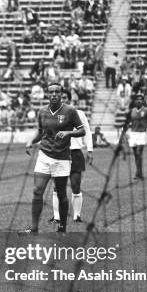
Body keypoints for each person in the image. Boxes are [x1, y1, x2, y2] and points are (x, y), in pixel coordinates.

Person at [24, 83, 85, 233]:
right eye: (51, 92)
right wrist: (31, 141)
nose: (54, 94)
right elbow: (40, 132)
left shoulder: (70, 111)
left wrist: (68, 133)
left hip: (62, 158)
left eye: (57, 91)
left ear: (61, 93)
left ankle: (62, 227)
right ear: (47, 94)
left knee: (62, 193)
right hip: (44, 155)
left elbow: (82, 130)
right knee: (38, 191)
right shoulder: (42, 112)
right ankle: (34, 228)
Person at [50, 91, 93, 224]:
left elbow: (87, 132)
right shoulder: (53, 115)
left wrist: (90, 150)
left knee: (75, 185)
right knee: (57, 187)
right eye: (60, 98)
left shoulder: (79, 114)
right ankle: (57, 216)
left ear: (70, 99)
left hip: (75, 153)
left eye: (65, 98)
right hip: (59, 153)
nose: (62, 100)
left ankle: (77, 216)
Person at [122, 94, 147, 180]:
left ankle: (140, 173)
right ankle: (138, 173)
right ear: (135, 101)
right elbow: (126, 124)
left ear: (143, 101)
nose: (139, 101)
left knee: (138, 153)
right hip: (133, 134)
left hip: (142, 134)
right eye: (137, 99)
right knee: (136, 155)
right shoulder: (131, 111)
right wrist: (122, 135)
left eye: (140, 99)